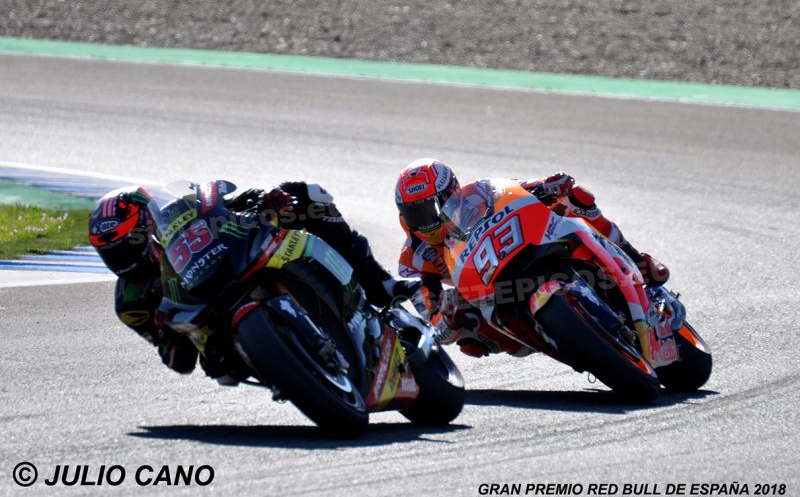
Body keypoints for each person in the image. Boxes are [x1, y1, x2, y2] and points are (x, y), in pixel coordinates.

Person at [89, 181, 419, 378]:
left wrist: (266, 199)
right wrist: (170, 333)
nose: (124, 261)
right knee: (221, 366)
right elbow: (179, 363)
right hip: (220, 341)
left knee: (307, 196)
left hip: (236, 267)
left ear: (148, 227)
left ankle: (379, 286)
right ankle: (296, 370)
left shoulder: (181, 215)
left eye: (128, 245)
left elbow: (227, 206)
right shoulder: (131, 302)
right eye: (111, 255)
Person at [394, 158, 670, 358]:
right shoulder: (412, 261)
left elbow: (522, 189)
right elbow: (435, 327)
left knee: (576, 201)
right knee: (470, 339)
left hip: (516, 248)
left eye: (429, 211)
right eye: (414, 215)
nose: (424, 224)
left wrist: (551, 184)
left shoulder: (478, 193)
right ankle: (555, 335)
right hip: (479, 289)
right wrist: (448, 318)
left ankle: (636, 257)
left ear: (450, 194)